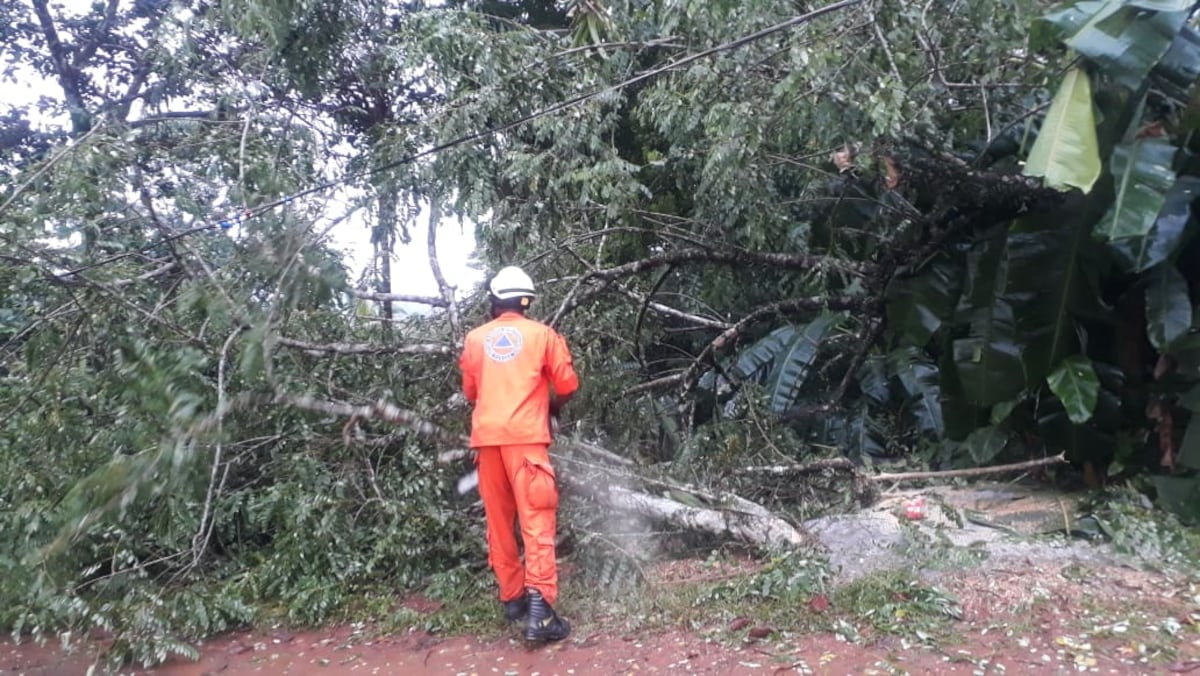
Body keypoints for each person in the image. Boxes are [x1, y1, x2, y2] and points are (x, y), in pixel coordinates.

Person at [458, 265, 579, 642]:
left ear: (494, 300)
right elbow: (568, 383)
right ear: (528, 302)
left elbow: (470, 393)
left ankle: (513, 600)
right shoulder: (544, 335)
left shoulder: (475, 339)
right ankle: (541, 615)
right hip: (526, 442)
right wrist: (553, 407)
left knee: (499, 524)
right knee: (537, 522)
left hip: (487, 444)